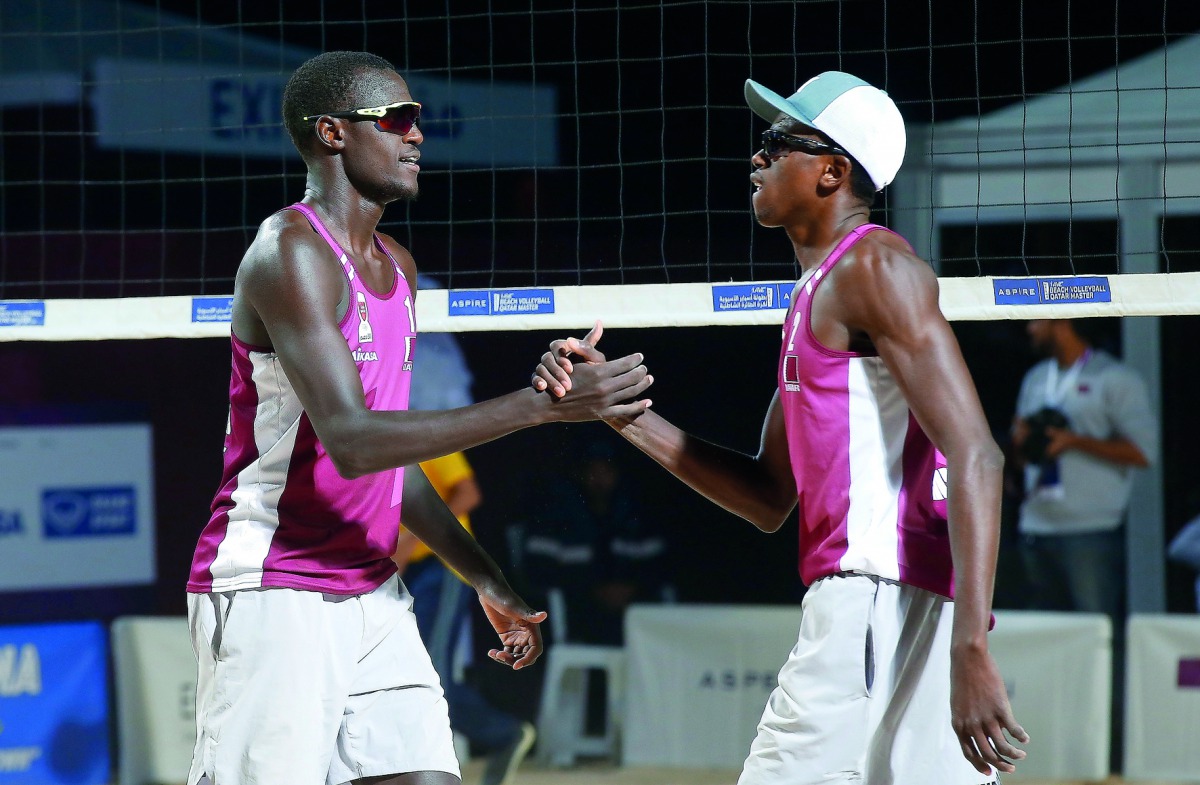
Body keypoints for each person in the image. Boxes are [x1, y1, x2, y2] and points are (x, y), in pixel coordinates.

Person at [532, 71, 1027, 784]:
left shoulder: (876, 266)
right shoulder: (816, 292)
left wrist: (971, 646)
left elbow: (977, 455)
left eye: (778, 142)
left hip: (878, 595)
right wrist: (618, 411)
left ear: (833, 171)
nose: (756, 158)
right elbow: (768, 497)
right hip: (890, 599)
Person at [184, 50, 651, 785]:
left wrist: (486, 578)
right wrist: (540, 409)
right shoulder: (291, 251)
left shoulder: (397, 266)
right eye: (397, 119)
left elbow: (397, 465)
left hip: (371, 588)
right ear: (333, 133)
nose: (416, 136)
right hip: (277, 584)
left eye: (418, 121)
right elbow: (354, 442)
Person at [395, 451, 537, 785]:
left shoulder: (422, 434)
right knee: (410, 670)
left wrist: (409, 541)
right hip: (410, 571)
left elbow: (469, 492)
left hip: (441, 568)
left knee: (432, 675)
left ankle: (503, 733)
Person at [1011, 318, 1157, 619]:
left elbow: (1144, 452)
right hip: (1035, 525)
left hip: (1091, 532)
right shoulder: (1036, 378)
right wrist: (1021, 442)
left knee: (1097, 632)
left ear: (1061, 321)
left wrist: (1075, 441)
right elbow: (1022, 458)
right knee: (1046, 636)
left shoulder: (1115, 377)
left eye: (1035, 320)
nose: (1029, 328)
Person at [520, 436, 669, 646]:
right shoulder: (557, 513)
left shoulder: (633, 515)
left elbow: (659, 568)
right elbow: (537, 570)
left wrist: (631, 588)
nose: (599, 480)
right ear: (579, 473)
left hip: (633, 612)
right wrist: (592, 589)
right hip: (578, 613)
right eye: (592, 471)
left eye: (606, 471)